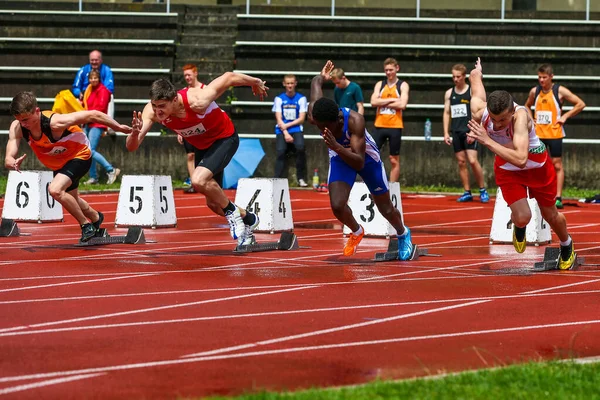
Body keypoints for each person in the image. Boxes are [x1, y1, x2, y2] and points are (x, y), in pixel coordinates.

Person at [126, 72, 269, 246]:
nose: (158, 111)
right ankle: (248, 218)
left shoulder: (196, 100)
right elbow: (132, 147)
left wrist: (255, 82)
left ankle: (232, 214)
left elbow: (229, 77)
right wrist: (134, 134)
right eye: (155, 106)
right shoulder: (152, 111)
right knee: (214, 204)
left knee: (198, 179)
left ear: (174, 100)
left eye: (162, 106)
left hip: (225, 139)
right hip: (203, 147)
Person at [467, 58, 576, 270]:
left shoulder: (520, 117)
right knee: (523, 216)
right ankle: (519, 225)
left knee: (550, 215)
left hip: (536, 166)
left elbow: (521, 158)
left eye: (503, 121)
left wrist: (487, 140)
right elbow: (475, 81)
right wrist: (478, 70)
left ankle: (567, 245)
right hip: (508, 169)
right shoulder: (480, 111)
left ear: (511, 113)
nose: (498, 125)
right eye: (495, 120)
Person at [308, 60, 414, 260]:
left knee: (385, 208)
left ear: (337, 121)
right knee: (337, 205)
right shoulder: (316, 113)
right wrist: (322, 77)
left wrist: (337, 146)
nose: (321, 130)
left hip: (365, 158)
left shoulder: (354, 121)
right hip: (339, 155)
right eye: (318, 126)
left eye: (325, 127)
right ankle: (356, 232)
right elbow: (315, 83)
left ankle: (402, 233)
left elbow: (359, 162)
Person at [5, 91, 132, 242]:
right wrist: (11, 162)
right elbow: (8, 157)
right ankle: (96, 217)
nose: (23, 124)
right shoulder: (17, 127)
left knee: (55, 189)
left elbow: (92, 115)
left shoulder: (55, 122)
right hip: (60, 163)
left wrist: (117, 127)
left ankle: (86, 226)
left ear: (37, 111)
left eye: (26, 119)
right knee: (72, 200)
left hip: (80, 155)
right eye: (20, 120)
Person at [524, 64, 586, 209]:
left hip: (554, 133)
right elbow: (526, 105)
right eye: (539, 77)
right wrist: (530, 117)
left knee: (557, 164)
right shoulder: (535, 91)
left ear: (551, 77)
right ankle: (538, 193)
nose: (541, 80)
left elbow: (580, 104)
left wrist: (564, 116)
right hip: (538, 134)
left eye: (544, 77)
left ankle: (558, 197)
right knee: (537, 163)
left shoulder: (559, 90)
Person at [442, 63, 489, 203]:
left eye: (458, 76)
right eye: (453, 77)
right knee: (461, 162)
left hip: (470, 130)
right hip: (456, 131)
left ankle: (482, 189)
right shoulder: (449, 93)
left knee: (473, 161)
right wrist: (445, 132)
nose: (456, 79)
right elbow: (446, 112)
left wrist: (473, 131)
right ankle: (467, 191)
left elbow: (479, 111)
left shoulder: (471, 92)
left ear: (464, 77)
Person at [370, 57, 409, 183]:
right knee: (371, 156)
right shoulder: (380, 85)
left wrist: (382, 103)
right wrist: (392, 101)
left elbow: (403, 105)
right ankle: (374, 184)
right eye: (386, 70)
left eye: (391, 70)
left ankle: (392, 188)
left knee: (393, 159)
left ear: (397, 69)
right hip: (380, 125)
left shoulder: (402, 85)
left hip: (395, 126)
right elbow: (373, 102)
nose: (388, 73)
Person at [82, 70, 121, 185]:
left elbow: (101, 108)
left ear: (99, 79)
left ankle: (110, 170)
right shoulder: (89, 90)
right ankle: (93, 177)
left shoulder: (103, 91)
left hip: (97, 123)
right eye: (91, 78)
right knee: (88, 151)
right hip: (88, 122)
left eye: (95, 78)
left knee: (90, 150)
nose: (93, 80)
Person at [272, 74, 308, 187]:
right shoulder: (279, 99)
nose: (290, 86)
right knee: (281, 152)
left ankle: (301, 178)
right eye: (288, 83)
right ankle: (277, 179)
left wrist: (288, 126)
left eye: (292, 83)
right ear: (284, 84)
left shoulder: (301, 99)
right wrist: (286, 132)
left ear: (295, 83)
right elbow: (278, 118)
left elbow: (301, 119)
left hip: (296, 128)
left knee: (300, 148)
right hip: (281, 130)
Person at [179, 64, 205, 194]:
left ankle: (202, 180)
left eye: (189, 74)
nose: (187, 77)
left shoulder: (204, 89)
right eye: (185, 76)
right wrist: (179, 131)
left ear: (195, 74)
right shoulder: (183, 92)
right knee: (190, 155)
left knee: (202, 155)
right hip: (188, 128)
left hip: (203, 128)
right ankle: (194, 182)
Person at [72, 50, 115, 119]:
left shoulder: (107, 70)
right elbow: (75, 87)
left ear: (101, 60)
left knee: (110, 97)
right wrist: (79, 93)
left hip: (100, 97)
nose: (94, 62)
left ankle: (107, 124)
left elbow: (109, 88)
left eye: (96, 60)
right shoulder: (83, 70)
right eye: (92, 60)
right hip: (85, 97)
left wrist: (99, 94)